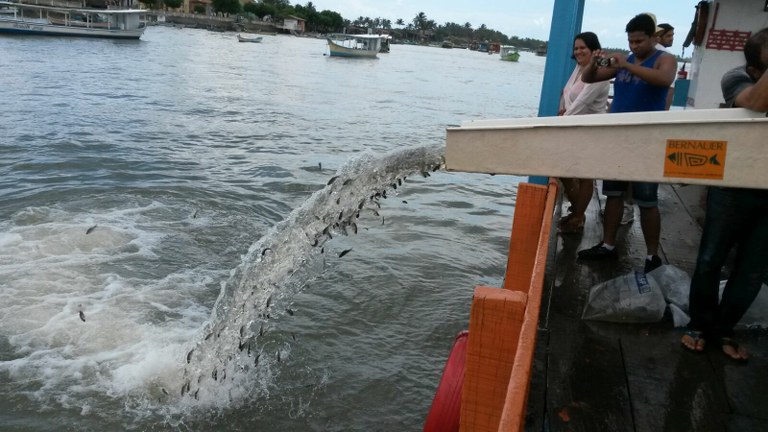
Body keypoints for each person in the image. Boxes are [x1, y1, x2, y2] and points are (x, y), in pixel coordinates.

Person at [681, 27, 768, 362]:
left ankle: (724, 330)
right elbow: (757, 102)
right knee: (710, 259)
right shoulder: (736, 77)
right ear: (755, 71)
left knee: (752, 271)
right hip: (733, 184)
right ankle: (700, 325)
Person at [577, 13, 677, 274]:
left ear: (653, 37)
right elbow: (589, 78)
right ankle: (608, 245)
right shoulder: (627, 60)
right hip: (618, 138)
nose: (634, 46)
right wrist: (594, 62)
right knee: (613, 193)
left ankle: (652, 255)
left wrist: (626, 65)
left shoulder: (664, 59)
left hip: (646, 139)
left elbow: (664, 80)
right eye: (631, 41)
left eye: (640, 41)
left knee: (647, 198)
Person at [557, 32, 610, 234]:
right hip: (573, 126)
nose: (578, 51)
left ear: (593, 49)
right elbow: (567, 93)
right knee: (563, 170)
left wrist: (563, 119)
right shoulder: (579, 69)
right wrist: (562, 110)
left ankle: (578, 216)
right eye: (576, 47)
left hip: (590, 130)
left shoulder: (600, 73)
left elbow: (583, 101)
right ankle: (578, 211)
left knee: (585, 175)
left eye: (583, 48)